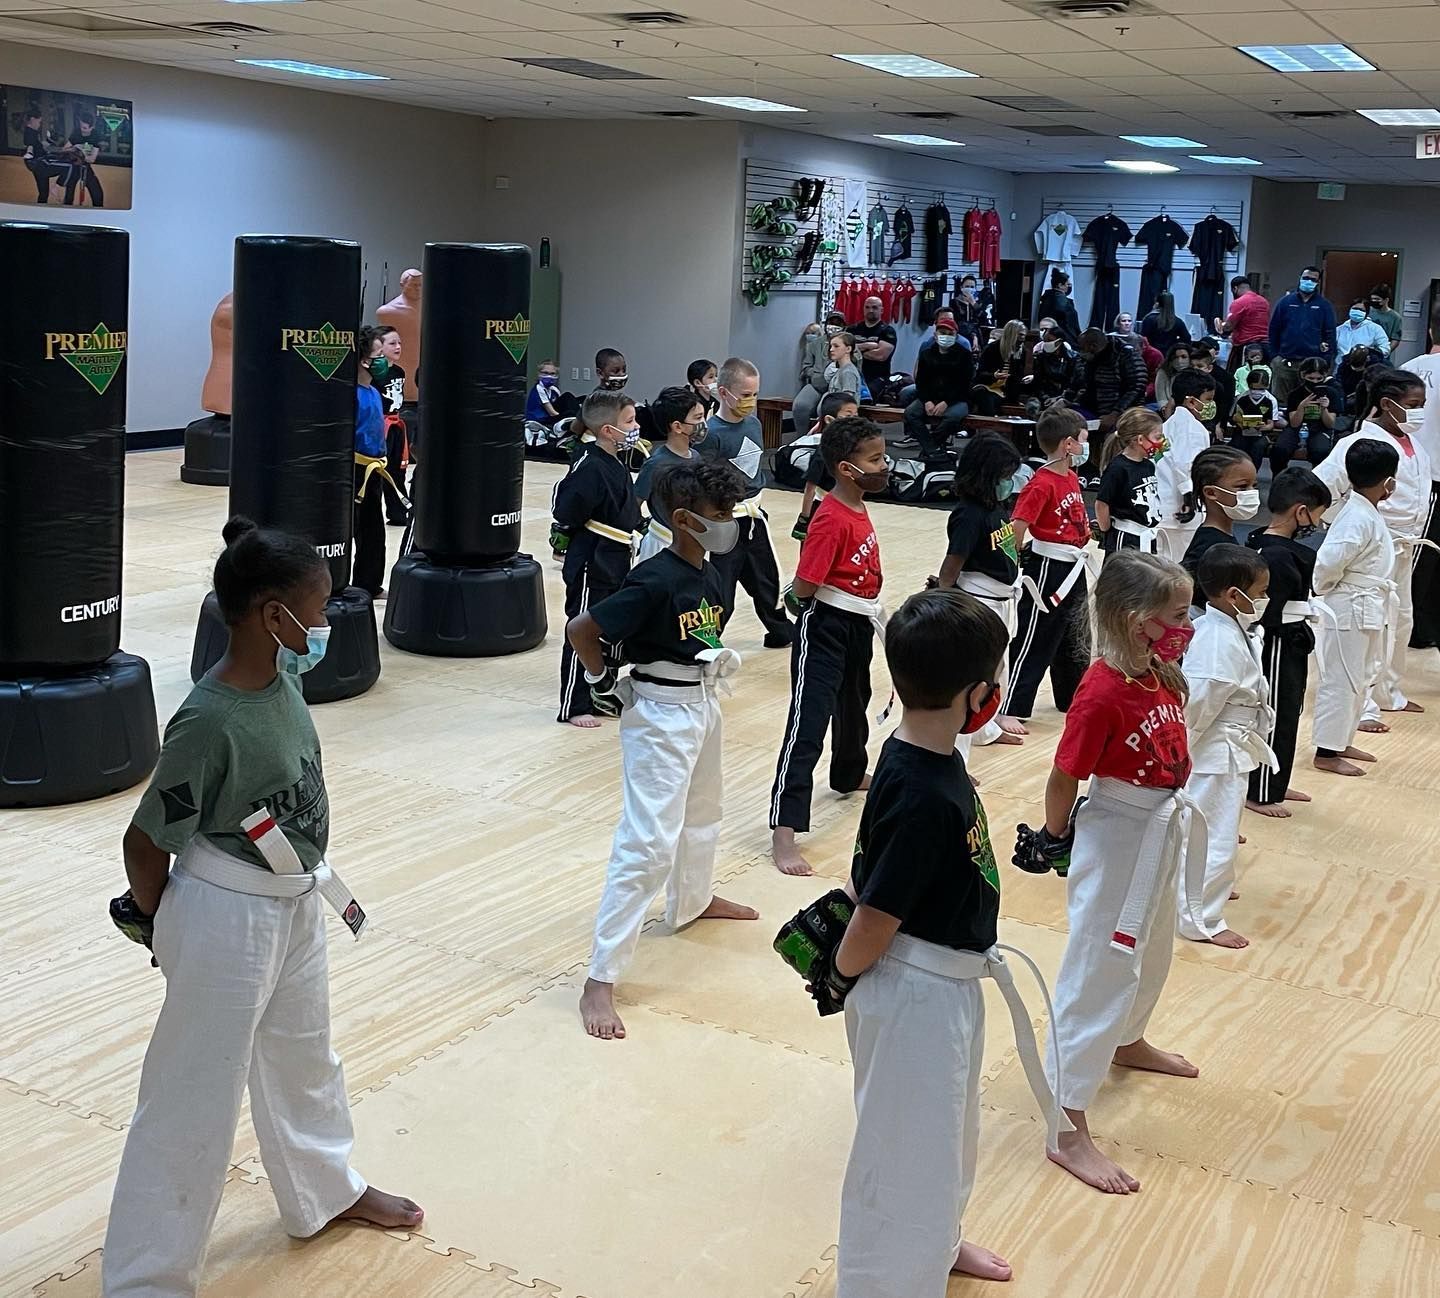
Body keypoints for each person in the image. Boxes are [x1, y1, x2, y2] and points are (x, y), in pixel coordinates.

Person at [101, 517, 423, 1296]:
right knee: (191, 1093)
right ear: (271, 615)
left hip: (295, 900)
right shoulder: (209, 720)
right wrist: (162, 926)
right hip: (225, 915)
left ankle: (324, 1191)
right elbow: (145, 842)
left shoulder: (281, 678)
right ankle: (147, 1277)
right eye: (317, 609)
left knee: (306, 1057)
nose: (326, 621)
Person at [824, 589, 1039, 1295]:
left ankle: (935, 1239)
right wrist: (839, 973)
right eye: (996, 679)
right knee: (904, 1150)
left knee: (944, 1132)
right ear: (978, 696)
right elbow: (876, 916)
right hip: (912, 988)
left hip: (944, 982)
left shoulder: (923, 755)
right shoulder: (923, 792)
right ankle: (884, 1281)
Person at [1030, 551, 1202, 1195]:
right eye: (1178, 615)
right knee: (1101, 965)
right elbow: (1064, 776)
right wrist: (1054, 838)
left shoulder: (1158, 672)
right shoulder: (1101, 690)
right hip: (1117, 832)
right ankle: (1065, 1120)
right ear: (1137, 620)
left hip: (1159, 825)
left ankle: (1127, 1040)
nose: (1188, 626)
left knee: (1152, 949)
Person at [571, 461, 759, 1040]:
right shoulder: (653, 578)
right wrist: (602, 680)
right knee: (649, 842)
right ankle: (600, 978)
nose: (730, 523)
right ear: (683, 520)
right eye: (720, 515)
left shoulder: (712, 571)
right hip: (658, 713)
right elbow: (583, 630)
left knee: (703, 814)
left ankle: (693, 900)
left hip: (703, 703)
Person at [770, 415, 888, 877]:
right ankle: (784, 827)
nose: (884, 467)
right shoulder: (830, 518)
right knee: (809, 720)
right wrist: (800, 606)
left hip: (858, 622)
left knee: (855, 702)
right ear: (846, 468)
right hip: (824, 626)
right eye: (875, 460)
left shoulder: (857, 506)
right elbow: (805, 584)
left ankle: (849, 772)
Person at [1315, 368, 1432, 729]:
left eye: (1423, 404)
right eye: (1413, 404)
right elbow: (1320, 489)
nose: (1419, 412)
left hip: (1404, 547)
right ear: (1387, 404)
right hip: (1369, 548)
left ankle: (1387, 692)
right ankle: (1361, 706)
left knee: (1401, 620)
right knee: (1370, 626)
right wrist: (1344, 521)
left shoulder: (1416, 445)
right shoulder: (1357, 444)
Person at [1179, 544, 1273, 949]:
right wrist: (1177, 757)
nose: (1266, 599)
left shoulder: (1227, 628)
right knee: (1214, 837)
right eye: (1261, 592)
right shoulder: (1217, 642)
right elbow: (1196, 711)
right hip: (1215, 753)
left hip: (1226, 748)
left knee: (1209, 832)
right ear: (1234, 595)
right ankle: (1201, 919)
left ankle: (1194, 897)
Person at [1245, 466, 1332, 816]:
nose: (1318, 523)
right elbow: (1269, 609)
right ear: (1301, 511)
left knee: (1289, 712)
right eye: (1317, 515)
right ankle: (1262, 790)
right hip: (1277, 640)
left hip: (1290, 637)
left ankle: (1276, 778)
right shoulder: (1276, 555)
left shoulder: (1265, 542)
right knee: (1275, 714)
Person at [1311, 438, 1401, 777]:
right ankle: (1326, 752)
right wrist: (1328, 591)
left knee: (1361, 678)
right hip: (1350, 605)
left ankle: (1341, 741)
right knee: (1341, 679)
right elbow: (1328, 564)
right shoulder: (1355, 517)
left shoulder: (1365, 511)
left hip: (1367, 603)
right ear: (1388, 482)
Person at [553, 390, 642, 727]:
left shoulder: (613, 459)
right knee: (582, 629)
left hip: (616, 556)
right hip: (593, 559)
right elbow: (567, 510)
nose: (635, 427)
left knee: (611, 628)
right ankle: (574, 704)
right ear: (607, 429)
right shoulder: (589, 465)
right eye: (629, 422)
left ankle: (601, 693)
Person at [1001, 406, 1092, 734]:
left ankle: (1072, 697)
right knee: (1035, 636)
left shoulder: (1071, 477)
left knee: (1075, 634)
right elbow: (1017, 526)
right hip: (1047, 568)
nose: (1086, 446)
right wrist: (1014, 567)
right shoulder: (1041, 483)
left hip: (1074, 565)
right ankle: (1011, 705)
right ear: (1068, 444)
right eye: (1083, 440)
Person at [935, 432, 1025, 752]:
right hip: (979, 602)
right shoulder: (968, 514)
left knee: (999, 673)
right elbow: (952, 565)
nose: (1009, 482)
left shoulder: (995, 506)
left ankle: (985, 729)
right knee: (972, 680)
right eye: (1004, 476)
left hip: (1002, 599)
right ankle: (955, 752)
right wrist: (942, 599)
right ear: (985, 475)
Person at [701, 357, 793, 647]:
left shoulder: (754, 423)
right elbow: (702, 481)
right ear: (724, 393)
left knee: (767, 579)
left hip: (754, 516)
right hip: (725, 522)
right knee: (722, 586)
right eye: (745, 395)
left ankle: (780, 631)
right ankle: (706, 639)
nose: (750, 401)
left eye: (755, 394)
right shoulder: (710, 434)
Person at [1399, 304, 1440, 649]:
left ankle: (1420, 627)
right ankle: (1415, 628)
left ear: (1430, 330)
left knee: (1417, 558)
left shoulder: (1408, 368)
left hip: (1409, 475)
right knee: (1422, 559)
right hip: (1430, 476)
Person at [634, 385, 708, 562]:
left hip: (693, 540)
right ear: (677, 426)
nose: (704, 423)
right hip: (662, 543)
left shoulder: (697, 457)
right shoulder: (655, 465)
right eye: (698, 418)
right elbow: (634, 503)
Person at [1181, 444, 1258, 609]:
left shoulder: (1223, 535)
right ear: (1211, 492)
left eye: (1254, 486)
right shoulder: (1210, 546)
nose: (1251, 492)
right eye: (1242, 487)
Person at [1067, 328, 1148, 481]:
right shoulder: (1085, 359)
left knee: (1112, 436)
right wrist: (1065, 400)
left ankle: (1108, 474)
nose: (1080, 351)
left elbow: (1137, 386)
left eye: (1083, 348)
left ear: (1092, 346)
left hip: (1122, 411)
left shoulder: (1125, 353)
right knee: (1067, 421)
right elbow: (1078, 383)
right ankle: (1082, 471)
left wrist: (1116, 413)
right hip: (1091, 408)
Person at [1155, 366, 1216, 563]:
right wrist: (1189, 497)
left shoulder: (1169, 424)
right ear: (1191, 401)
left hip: (1163, 505)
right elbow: (1186, 464)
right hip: (1181, 506)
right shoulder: (1192, 428)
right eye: (1208, 399)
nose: (1210, 405)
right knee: (1176, 566)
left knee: (1160, 563)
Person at [351, 326, 393, 599]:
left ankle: (369, 583)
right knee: (354, 528)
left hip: (374, 469)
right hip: (354, 470)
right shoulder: (350, 394)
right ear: (365, 360)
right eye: (379, 355)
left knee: (374, 531)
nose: (384, 360)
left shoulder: (374, 393)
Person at [904, 312, 973, 461]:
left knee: (953, 417)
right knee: (910, 413)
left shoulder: (965, 355)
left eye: (950, 334)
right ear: (935, 335)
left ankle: (930, 449)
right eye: (942, 333)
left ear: (956, 336)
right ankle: (933, 450)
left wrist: (946, 402)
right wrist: (927, 400)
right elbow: (921, 381)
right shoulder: (926, 354)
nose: (946, 336)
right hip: (930, 397)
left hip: (957, 399)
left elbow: (964, 384)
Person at [792, 391, 861, 541]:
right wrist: (804, 519)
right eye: (848, 416)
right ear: (830, 420)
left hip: (847, 506)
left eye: (855, 416)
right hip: (823, 509)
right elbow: (810, 488)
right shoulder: (823, 452)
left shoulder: (853, 447)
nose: (853, 421)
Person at [1095, 406, 1164, 554]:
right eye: (1158, 437)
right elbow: (1102, 503)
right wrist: (1106, 530)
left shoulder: (1148, 465)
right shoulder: (1118, 468)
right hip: (1125, 536)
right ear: (1140, 439)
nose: (1161, 442)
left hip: (1147, 535)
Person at [1268, 267, 1337, 405]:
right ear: (1300, 278)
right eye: (1306, 278)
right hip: (1285, 361)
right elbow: (1274, 330)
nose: (1308, 281)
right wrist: (1274, 356)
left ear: (1318, 282)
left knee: (1311, 400)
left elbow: (1330, 334)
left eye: (1313, 279)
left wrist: (1326, 360)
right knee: (1281, 401)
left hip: (1312, 364)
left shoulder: (1324, 306)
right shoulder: (1285, 302)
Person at [372, 326, 411, 526]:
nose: (398, 347)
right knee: (378, 470)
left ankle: (399, 513)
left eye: (399, 343)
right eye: (392, 343)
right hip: (380, 426)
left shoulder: (399, 372)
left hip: (396, 426)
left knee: (398, 470)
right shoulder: (372, 374)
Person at [1276, 358, 1340, 472]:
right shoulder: (1295, 394)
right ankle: (1279, 476)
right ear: (1303, 375)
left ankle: (1317, 478)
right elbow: (1294, 424)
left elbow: (1330, 424)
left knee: (1320, 451)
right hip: (1297, 428)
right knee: (1280, 449)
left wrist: (1324, 408)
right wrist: (1301, 407)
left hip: (1320, 428)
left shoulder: (1332, 393)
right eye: (1311, 378)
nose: (1315, 382)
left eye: (1319, 379)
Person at [794, 312, 846, 430]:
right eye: (831, 323)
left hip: (836, 386)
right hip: (816, 384)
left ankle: (824, 438)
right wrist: (815, 374)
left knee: (823, 409)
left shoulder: (849, 344)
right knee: (800, 405)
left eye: (838, 324)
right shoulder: (815, 344)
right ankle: (802, 437)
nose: (834, 326)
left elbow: (855, 367)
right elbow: (806, 367)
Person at [972, 318, 1027, 416]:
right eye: (1021, 335)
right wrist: (994, 376)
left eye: (1024, 335)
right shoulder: (992, 348)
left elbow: (1017, 377)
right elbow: (980, 375)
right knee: (984, 396)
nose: (1023, 338)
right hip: (987, 387)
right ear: (1012, 335)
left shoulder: (1022, 351)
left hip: (1004, 391)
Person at [1228, 365, 1280, 466]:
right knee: (1237, 446)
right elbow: (1233, 417)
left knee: (1257, 448)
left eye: (1260, 389)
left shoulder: (1271, 400)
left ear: (1267, 386)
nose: (1256, 392)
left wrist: (1263, 427)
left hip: (1260, 434)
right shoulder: (1242, 398)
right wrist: (1240, 421)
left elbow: (1271, 424)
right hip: (1242, 432)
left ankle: (1253, 471)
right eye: (1253, 388)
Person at [850, 296, 898, 391]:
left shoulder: (887, 331)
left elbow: (880, 356)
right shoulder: (853, 329)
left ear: (882, 310)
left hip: (878, 379)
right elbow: (843, 350)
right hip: (853, 375)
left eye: (874, 307)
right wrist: (868, 346)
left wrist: (854, 350)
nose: (870, 310)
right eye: (867, 307)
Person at [1215, 275, 1270, 356]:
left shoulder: (1239, 302)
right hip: (1265, 346)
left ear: (1235, 288)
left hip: (1246, 346)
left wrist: (1222, 327)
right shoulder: (1264, 301)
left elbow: (1228, 327)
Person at [21, 105, 63, 203]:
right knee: (66, 167)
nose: (39, 124)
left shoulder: (32, 132)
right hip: (39, 164)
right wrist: (29, 153)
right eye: (39, 122)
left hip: (38, 164)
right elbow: (30, 146)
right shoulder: (30, 133)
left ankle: (41, 206)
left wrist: (45, 144)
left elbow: (35, 146)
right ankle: (56, 187)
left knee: (43, 193)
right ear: (33, 119)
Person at [62, 111, 105, 207]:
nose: (82, 129)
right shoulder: (76, 133)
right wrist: (75, 147)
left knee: (97, 193)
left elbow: (92, 159)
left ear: (91, 127)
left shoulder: (95, 136)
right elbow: (64, 149)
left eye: (85, 128)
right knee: (69, 192)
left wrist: (83, 153)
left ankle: (98, 211)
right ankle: (67, 209)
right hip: (74, 166)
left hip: (85, 165)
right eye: (81, 126)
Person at [1033, 324, 1077, 402]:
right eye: (1044, 341)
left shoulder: (1073, 357)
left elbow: (1073, 383)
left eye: (1049, 340)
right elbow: (1038, 383)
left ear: (1059, 341)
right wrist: (1046, 398)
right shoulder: (1041, 357)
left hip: (1065, 398)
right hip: (1046, 397)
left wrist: (1061, 398)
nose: (1046, 343)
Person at [1337, 299, 1391, 363]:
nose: (1357, 311)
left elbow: (1385, 349)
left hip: (1365, 365)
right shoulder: (1340, 329)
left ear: (1366, 313)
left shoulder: (1375, 328)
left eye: (1361, 310)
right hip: (1342, 365)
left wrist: (1371, 357)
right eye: (1355, 309)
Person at [1037, 269, 1081, 343]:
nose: (1069, 286)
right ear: (1060, 285)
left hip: (1048, 336)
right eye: (1067, 284)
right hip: (1064, 338)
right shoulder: (1062, 301)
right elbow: (1070, 323)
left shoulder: (1046, 298)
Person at [526, 358, 565, 427]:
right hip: (538, 422)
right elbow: (552, 413)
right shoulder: (539, 388)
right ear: (539, 374)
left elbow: (561, 406)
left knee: (568, 397)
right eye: (545, 373)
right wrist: (566, 418)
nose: (549, 376)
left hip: (550, 421)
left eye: (552, 374)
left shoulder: (554, 390)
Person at [1153, 343, 1191, 415]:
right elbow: (1161, 398)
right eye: (1176, 357)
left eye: (1184, 357)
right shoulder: (1163, 372)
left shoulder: (1195, 374)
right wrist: (1166, 410)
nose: (1179, 360)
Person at [826, 330, 864, 399]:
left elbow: (846, 400)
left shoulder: (848, 372)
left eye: (836, 346)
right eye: (831, 346)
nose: (831, 349)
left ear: (848, 349)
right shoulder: (842, 369)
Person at [1369, 284, 1404, 355]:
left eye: (1377, 299)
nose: (1374, 301)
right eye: (1372, 299)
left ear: (1386, 300)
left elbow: (1395, 339)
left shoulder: (1395, 317)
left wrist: (1385, 352)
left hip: (1381, 352)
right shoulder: (1368, 312)